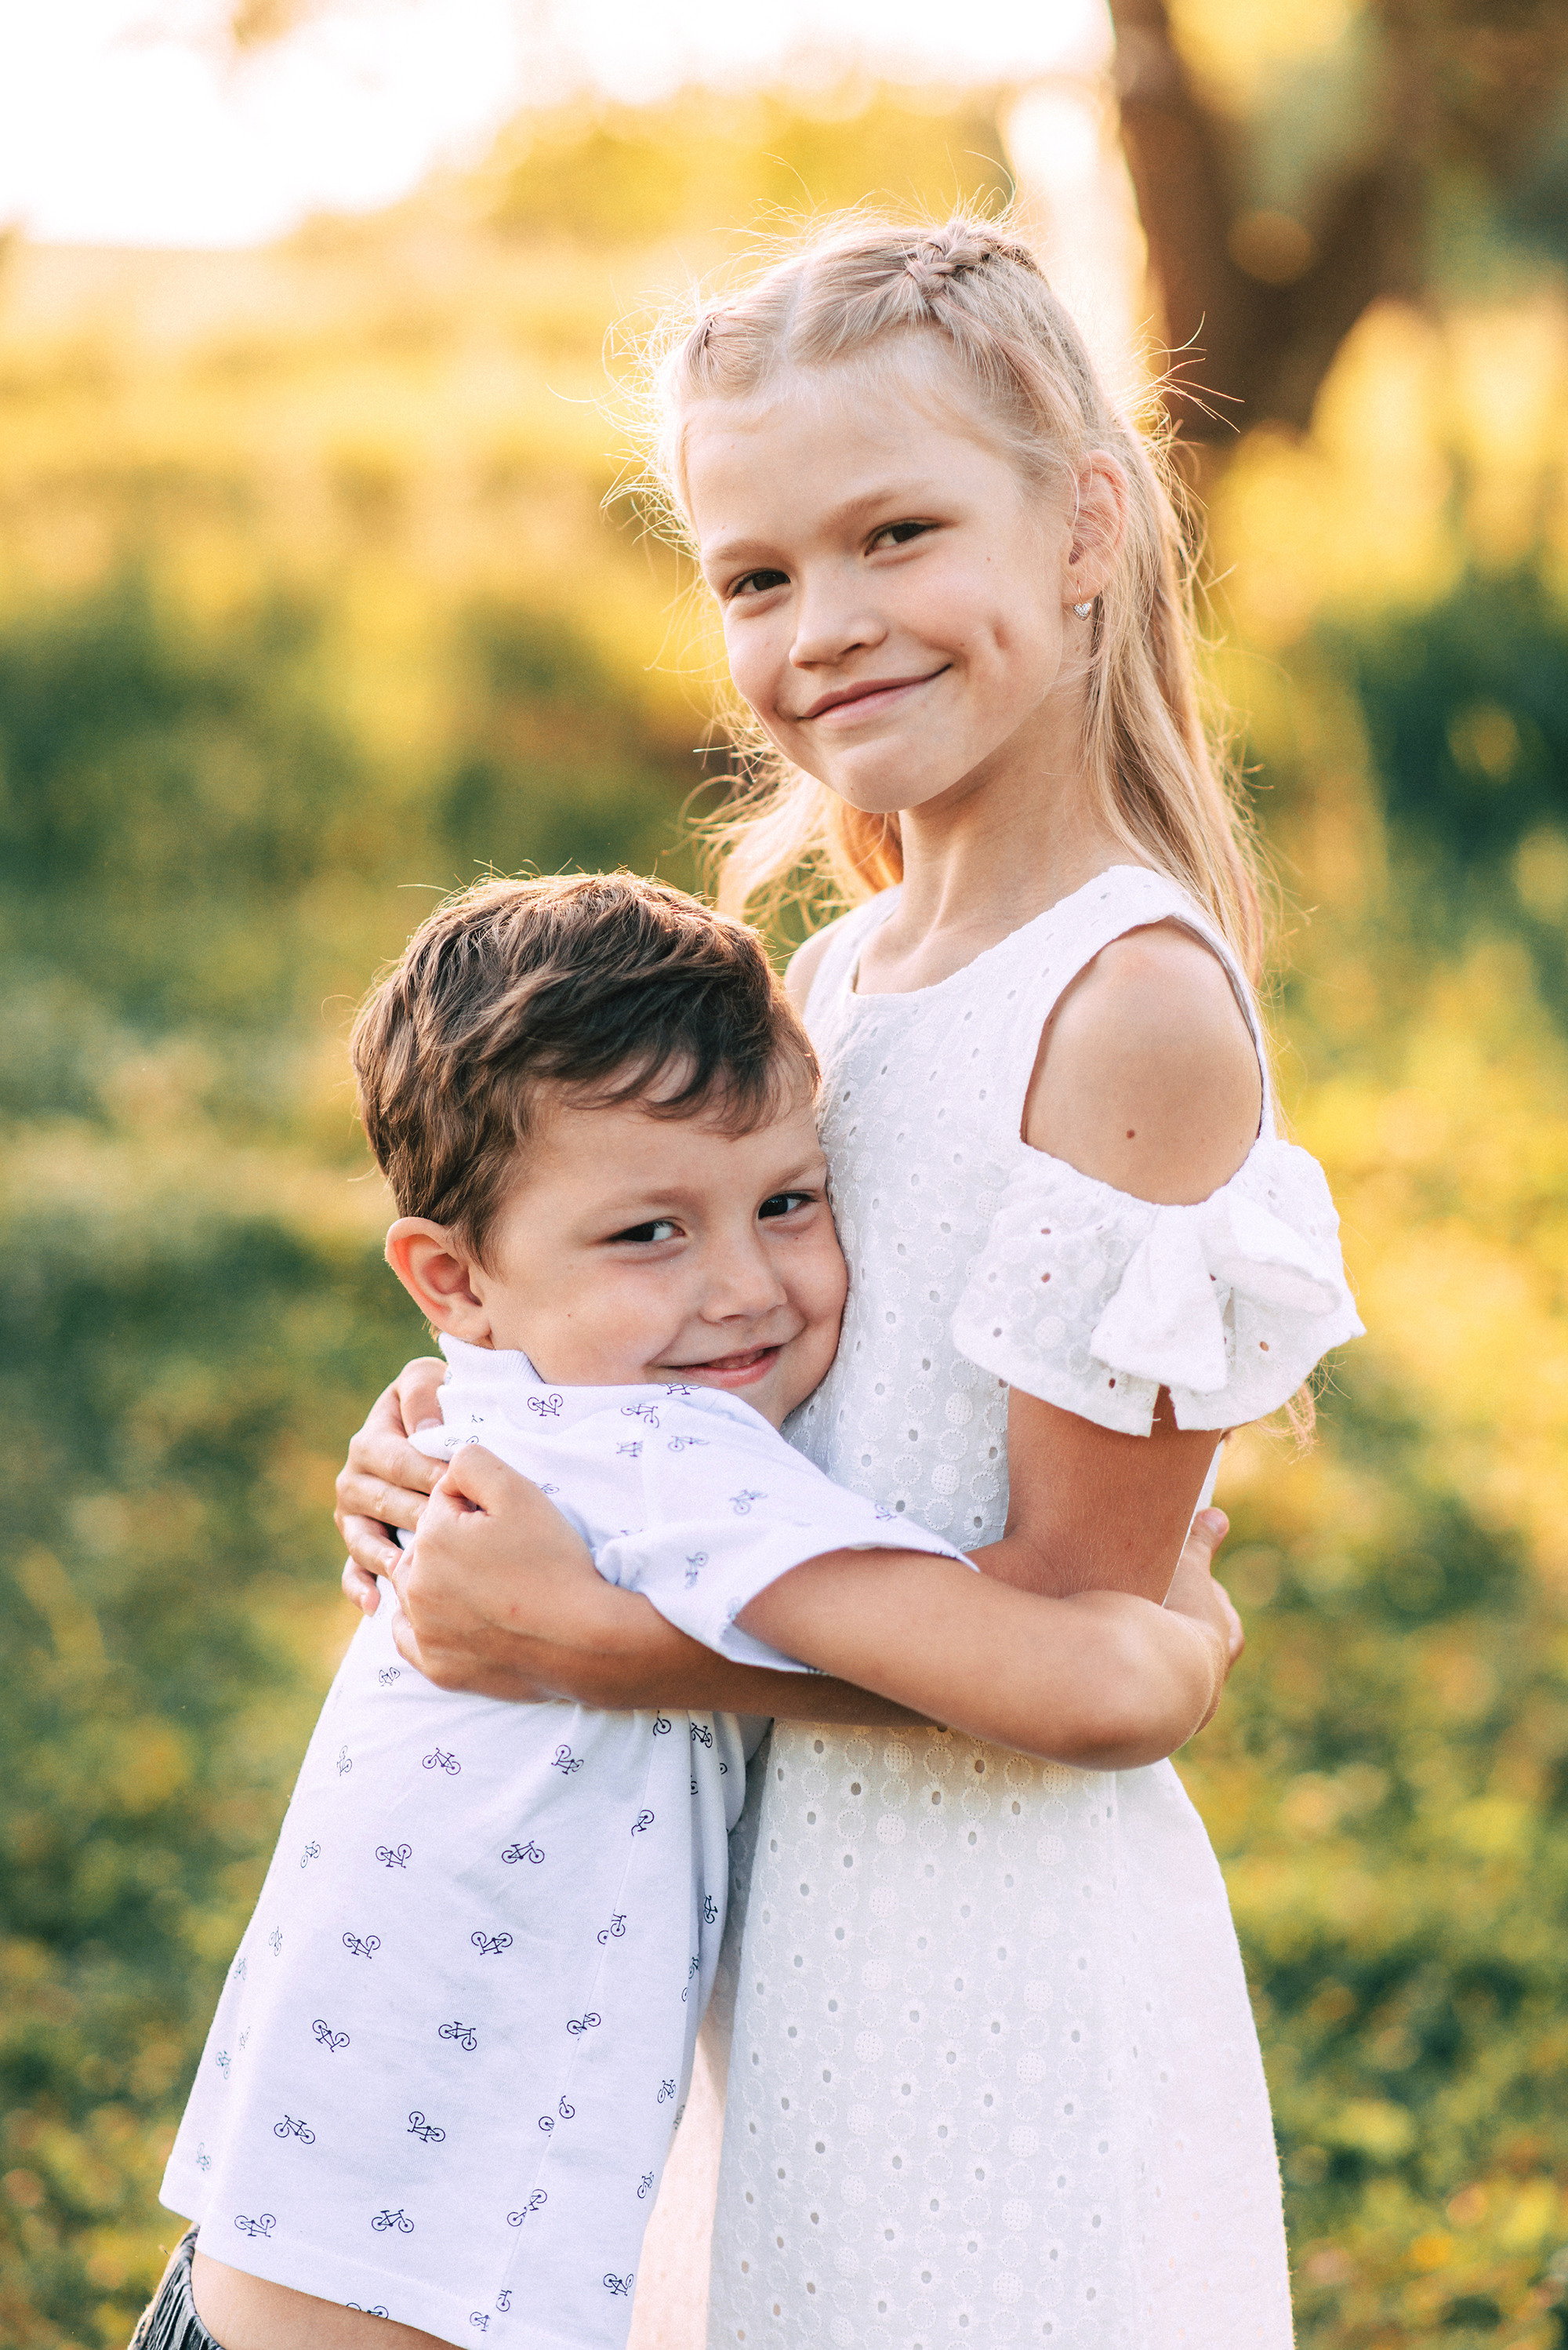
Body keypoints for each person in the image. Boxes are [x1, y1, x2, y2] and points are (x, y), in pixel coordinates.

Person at [334, 213, 1363, 2345]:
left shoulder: (1124, 1007)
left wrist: (610, 1643)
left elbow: (1084, 1637)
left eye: (897, 533)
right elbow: (728, 1407)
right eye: (757, 576)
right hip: (776, 1916)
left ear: (1084, 525)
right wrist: (461, 1444)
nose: (827, 627)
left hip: (992, 1965)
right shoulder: (840, 975)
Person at [141, 873, 1238, 2350]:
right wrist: (1185, 1623)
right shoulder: (671, 1462)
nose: (743, 1288)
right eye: (650, 1232)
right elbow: (1096, 1692)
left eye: (788, 1203)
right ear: (452, 1278)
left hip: (261, 2278)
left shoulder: (504, 1421)